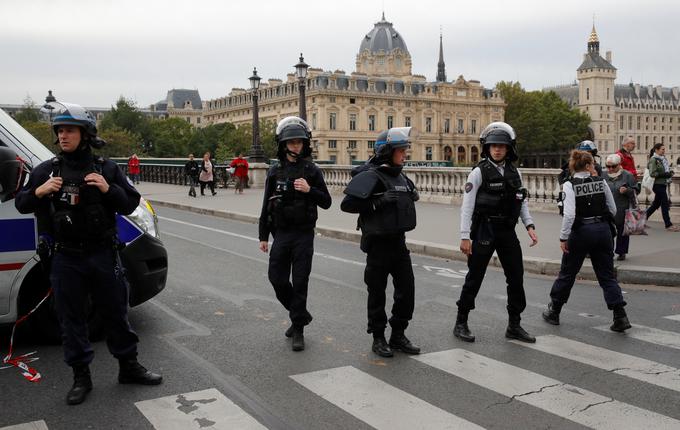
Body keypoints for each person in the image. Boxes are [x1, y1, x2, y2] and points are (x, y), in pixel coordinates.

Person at [14, 101, 162, 406]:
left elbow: (130, 204)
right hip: (66, 258)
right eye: (60, 131)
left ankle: (129, 367)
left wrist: (109, 189)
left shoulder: (106, 168)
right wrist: (39, 192)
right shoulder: (47, 170)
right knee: (71, 319)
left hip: (104, 254)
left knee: (116, 314)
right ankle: (81, 377)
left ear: (86, 133)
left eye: (70, 130)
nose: (63, 136)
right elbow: (22, 203)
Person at [453, 122, 538, 344]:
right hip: (484, 229)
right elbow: (467, 206)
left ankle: (515, 324)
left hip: (507, 230)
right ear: (487, 148)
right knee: (475, 277)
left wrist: (529, 226)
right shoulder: (478, 172)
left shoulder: (514, 172)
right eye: (493, 146)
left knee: (516, 277)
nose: (497, 149)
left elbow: (521, 200)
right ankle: (461, 322)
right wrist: (465, 236)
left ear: (509, 148)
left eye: (501, 146)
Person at [341, 127, 421, 358]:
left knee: (406, 291)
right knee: (377, 293)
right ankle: (378, 338)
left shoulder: (401, 176)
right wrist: (377, 203)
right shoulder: (371, 175)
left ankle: (398, 335)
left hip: (399, 244)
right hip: (377, 246)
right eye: (400, 150)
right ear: (386, 152)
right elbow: (347, 205)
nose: (404, 154)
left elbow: (411, 196)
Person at [258, 116, 331, 351]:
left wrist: (310, 190)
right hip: (281, 233)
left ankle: (298, 329)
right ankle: (300, 315)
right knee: (276, 279)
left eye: (299, 142)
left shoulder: (311, 170)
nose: (295, 146)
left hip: (303, 234)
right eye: (291, 143)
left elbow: (327, 201)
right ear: (283, 145)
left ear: (305, 144)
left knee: (300, 282)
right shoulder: (275, 170)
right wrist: (263, 236)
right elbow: (266, 204)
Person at [542, 150, 631, 332]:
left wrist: (563, 237)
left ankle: (554, 311)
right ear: (590, 165)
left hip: (581, 231)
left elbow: (569, 215)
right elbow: (612, 209)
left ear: (573, 165)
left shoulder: (569, 185)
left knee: (568, 272)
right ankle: (620, 315)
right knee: (606, 275)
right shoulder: (601, 182)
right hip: (603, 230)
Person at [604, 153, 639, 260]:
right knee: (607, 232)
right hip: (607, 209)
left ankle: (621, 252)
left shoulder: (627, 175)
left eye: (613, 166)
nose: (610, 169)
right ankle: (608, 251)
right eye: (608, 166)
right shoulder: (603, 175)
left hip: (622, 208)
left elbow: (636, 189)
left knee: (622, 231)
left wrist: (627, 190)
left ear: (619, 165)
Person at [645, 143, 679, 232]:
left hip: (663, 184)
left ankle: (641, 220)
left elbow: (664, 170)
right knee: (665, 203)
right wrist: (664, 174)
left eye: (664, 149)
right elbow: (652, 173)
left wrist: (669, 172)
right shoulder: (654, 160)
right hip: (657, 184)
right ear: (656, 150)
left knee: (656, 204)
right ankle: (668, 225)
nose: (664, 151)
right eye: (662, 149)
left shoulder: (662, 159)